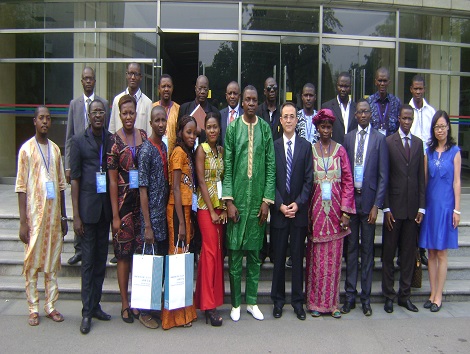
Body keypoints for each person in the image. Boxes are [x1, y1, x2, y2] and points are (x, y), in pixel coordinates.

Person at [222, 85, 276, 322]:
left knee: (254, 255)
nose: (251, 103)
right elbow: (228, 165)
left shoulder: (265, 129)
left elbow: (271, 166)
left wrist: (267, 201)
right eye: (247, 100)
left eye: (255, 100)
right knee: (234, 255)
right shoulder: (233, 129)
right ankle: (235, 304)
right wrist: (229, 201)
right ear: (242, 103)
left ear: (258, 102)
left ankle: (252, 302)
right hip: (237, 202)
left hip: (257, 203)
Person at [15, 106, 68, 326]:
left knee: (51, 263)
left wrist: (64, 217)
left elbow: (62, 185)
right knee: (32, 264)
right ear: (34, 121)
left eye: (48, 118)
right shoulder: (26, 150)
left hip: (53, 220)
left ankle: (50, 306)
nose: (45, 122)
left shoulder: (55, 150)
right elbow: (20, 187)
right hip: (35, 219)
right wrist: (23, 222)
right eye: (41, 118)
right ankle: (33, 307)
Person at [108, 95, 157, 329]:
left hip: (142, 206)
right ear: (120, 114)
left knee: (139, 255)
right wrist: (115, 216)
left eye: (131, 113)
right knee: (123, 256)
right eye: (124, 113)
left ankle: (137, 300)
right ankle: (125, 303)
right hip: (123, 208)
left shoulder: (144, 136)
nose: (128, 117)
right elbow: (111, 181)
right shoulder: (114, 142)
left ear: (136, 113)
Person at [306, 109, 355, 319]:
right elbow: (306, 182)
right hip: (316, 213)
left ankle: (333, 303)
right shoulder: (310, 150)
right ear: (317, 128)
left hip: (335, 213)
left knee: (334, 260)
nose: (325, 130)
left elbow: (348, 182)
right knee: (316, 260)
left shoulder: (340, 151)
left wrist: (346, 211)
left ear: (332, 128)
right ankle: (315, 302)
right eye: (322, 126)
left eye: (328, 127)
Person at [341, 99, 389, 316]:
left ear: (371, 114)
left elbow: (383, 176)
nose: (362, 115)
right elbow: (344, 174)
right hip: (352, 202)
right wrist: (345, 205)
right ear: (355, 115)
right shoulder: (348, 138)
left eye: (366, 111)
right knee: (351, 251)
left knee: (367, 251)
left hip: (369, 203)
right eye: (359, 112)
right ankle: (349, 296)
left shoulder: (380, 140)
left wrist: (377, 205)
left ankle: (366, 298)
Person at [70, 100, 112, 334]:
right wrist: (75, 215)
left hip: (104, 211)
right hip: (86, 211)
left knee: (100, 262)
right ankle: (86, 313)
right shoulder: (78, 141)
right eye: (94, 111)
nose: (98, 115)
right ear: (88, 115)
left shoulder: (110, 139)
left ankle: (95, 305)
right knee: (87, 263)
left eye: (101, 112)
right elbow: (75, 179)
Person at [270, 102, 313, 321]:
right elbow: (270, 180)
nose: (288, 120)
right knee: (278, 259)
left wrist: (297, 203)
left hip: (298, 213)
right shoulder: (273, 146)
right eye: (285, 116)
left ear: (297, 120)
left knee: (297, 259)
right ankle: (278, 301)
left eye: (292, 117)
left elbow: (309, 181)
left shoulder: (306, 147)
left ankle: (297, 302)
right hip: (279, 212)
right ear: (280, 120)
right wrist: (279, 205)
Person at [382, 105, 425, 314]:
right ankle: (389, 295)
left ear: (413, 120)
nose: (407, 122)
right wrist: (386, 207)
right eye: (404, 118)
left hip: (412, 209)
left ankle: (404, 295)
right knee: (389, 255)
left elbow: (420, 178)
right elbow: (386, 178)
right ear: (398, 119)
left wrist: (422, 207)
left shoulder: (418, 144)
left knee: (408, 255)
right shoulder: (389, 142)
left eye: (410, 119)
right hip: (393, 209)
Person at [65, 67, 109, 266]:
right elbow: (68, 137)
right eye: (85, 79)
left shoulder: (103, 103)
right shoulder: (74, 104)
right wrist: (68, 166)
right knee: (80, 205)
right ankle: (78, 250)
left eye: (91, 78)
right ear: (81, 81)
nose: (88, 81)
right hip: (78, 157)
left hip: (95, 158)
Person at [419, 110, 461, 312]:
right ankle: (432, 292)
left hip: (446, 207)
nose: (440, 130)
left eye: (443, 126)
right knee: (431, 251)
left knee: (442, 252)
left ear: (448, 128)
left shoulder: (455, 152)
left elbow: (457, 182)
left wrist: (457, 210)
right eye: (437, 126)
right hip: (431, 207)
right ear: (433, 129)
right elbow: (425, 181)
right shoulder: (428, 152)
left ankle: (439, 296)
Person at [162, 114, 198, 329]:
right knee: (176, 261)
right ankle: (173, 316)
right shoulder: (177, 153)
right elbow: (175, 188)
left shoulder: (187, 153)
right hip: (177, 212)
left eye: (194, 133)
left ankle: (185, 312)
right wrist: (182, 225)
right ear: (180, 133)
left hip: (185, 210)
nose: (192, 136)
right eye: (188, 132)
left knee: (182, 262)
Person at [194, 112, 227, 326]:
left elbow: (223, 180)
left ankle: (210, 301)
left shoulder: (221, 151)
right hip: (205, 208)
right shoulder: (201, 150)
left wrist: (222, 208)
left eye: (216, 127)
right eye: (209, 127)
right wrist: (213, 210)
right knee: (209, 253)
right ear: (205, 129)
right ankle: (208, 306)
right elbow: (202, 182)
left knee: (217, 253)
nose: (213, 130)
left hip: (219, 206)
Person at [409, 74, 436, 267]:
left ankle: (422, 249)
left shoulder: (431, 113)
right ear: (411, 89)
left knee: (423, 205)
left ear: (424, 89)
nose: (418, 92)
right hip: (409, 163)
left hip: (427, 163)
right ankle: (410, 250)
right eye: (415, 89)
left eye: (421, 89)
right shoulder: (406, 110)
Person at [139, 105, 170, 258]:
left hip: (163, 217)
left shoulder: (164, 147)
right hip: (151, 219)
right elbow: (142, 189)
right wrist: (147, 226)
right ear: (150, 123)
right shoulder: (146, 150)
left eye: (163, 120)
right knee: (152, 269)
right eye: (157, 120)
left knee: (163, 265)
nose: (160, 124)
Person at [109, 62, 153, 135]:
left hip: (141, 145)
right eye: (130, 73)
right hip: (120, 145)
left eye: (136, 74)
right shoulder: (117, 100)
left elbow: (149, 133)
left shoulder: (147, 103)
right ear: (126, 75)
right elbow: (112, 129)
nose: (133, 77)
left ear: (141, 77)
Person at [322, 72, 357, 144]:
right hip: (333, 151)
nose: (343, 89)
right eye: (341, 86)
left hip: (351, 151)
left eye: (346, 86)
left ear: (350, 87)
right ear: (336, 86)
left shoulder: (356, 107)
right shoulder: (327, 107)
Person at [367, 67, 401, 136]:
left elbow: (399, 125)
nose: (382, 84)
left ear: (389, 82)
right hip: (374, 144)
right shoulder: (368, 102)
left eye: (385, 81)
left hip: (391, 144)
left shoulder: (396, 102)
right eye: (380, 80)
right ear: (375, 82)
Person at [152, 74, 180, 157]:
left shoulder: (178, 109)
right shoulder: (152, 108)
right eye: (163, 86)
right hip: (155, 154)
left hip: (173, 156)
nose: (166, 89)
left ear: (172, 88)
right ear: (159, 88)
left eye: (169, 86)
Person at [256, 76, 282, 142]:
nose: (272, 90)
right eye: (269, 88)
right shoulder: (258, 111)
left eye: (274, 88)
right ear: (265, 92)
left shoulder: (282, 111)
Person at [220, 81, 243, 145]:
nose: (232, 96)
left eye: (235, 93)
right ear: (226, 96)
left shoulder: (245, 115)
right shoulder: (220, 115)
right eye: (230, 93)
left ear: (239, 96)